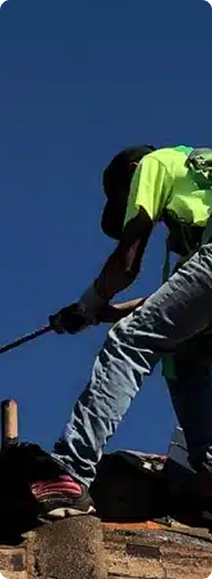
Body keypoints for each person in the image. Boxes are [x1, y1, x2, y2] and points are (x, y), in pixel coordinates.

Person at [30, 144, 212, 520]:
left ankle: (69, 472)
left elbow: (126, 263)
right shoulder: (197, 189)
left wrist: (87, 302)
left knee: (128, 345)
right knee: (183, 354)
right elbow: (170, 307)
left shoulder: (154, 162)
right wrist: (98, 313)